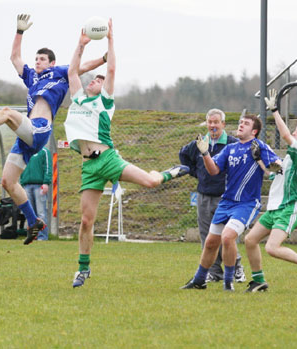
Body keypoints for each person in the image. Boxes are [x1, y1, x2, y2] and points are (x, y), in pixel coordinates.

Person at [64, 19, 189, 288]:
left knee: (150, 182)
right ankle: (83, 270)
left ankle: (169, 173)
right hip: (89, 167)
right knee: (86, 221)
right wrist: (81, 44)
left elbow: (111, 68)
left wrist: (110, 39)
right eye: (94, 79)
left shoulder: (104, 100)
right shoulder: (78, 99)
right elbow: (72, 72)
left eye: (99, 80)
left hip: (108, 159)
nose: (95, 80)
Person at [0, 14, 106, 245]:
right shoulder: (31, 77)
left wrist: (103, 58)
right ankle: (33, 221)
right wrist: (19, 32)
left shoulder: (59, 72)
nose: (37, 62)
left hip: (40, 128)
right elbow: (14, 57)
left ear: (51, 62)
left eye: (42, 59)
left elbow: (81, 67)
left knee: (8, 112)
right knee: (8, 182)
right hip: (27, 136)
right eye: (36, 59)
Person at [180, 114, 280, 291]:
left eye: (246, 124)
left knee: (227, 237)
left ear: (254, 131)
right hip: (226, 202)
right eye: (240, 122)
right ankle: (199, 280)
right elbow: (213, 170)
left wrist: (270, 164)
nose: (241, 125)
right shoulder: (229, 148)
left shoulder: (259, 147)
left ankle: (228, 282)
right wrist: (205, 153)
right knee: (211, 242)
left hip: (247, 203)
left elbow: (276, 166)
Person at [244, 89, 297, 292]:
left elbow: (285, 134)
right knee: (250, 240)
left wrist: (275, 110)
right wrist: (259, 159)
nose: (294, 133)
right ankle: (259, 281)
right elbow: (272, 174)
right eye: (295, 130)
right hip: (275, 208)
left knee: (271, 248)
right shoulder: (289, 158)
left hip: (290, 208)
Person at [179, 109, 246, 283]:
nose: (213, 126)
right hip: (203, 196)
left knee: (227, 237)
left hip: (226, 198)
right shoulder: (199, 144)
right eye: (210, 122)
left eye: (216, 122)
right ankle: (213, 272)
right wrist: (198, 174)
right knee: (206, 236)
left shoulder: (232, 144)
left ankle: (237, 269)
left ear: (223, 124)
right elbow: (184, 156)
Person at [20, 147, 52, 240]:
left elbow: (48, 167)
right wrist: (22, 181)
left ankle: (42, 237)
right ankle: (33, 236)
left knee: (41, 213)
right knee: (30, 213)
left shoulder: (44, 151)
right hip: (26, 186)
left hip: (39, 186)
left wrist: (46, 182)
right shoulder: (25, 151)